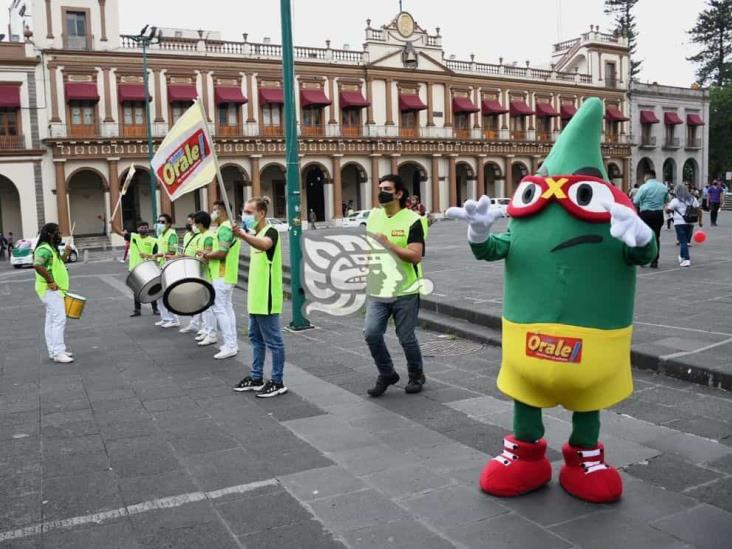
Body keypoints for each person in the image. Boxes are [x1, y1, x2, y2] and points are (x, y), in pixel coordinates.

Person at [364, 174, 429, 397]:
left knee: (406, 336)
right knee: (371, 333)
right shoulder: (373, 216)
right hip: (378, 287)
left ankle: (416, 374)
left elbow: (415, 256)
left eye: (387, 189)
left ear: (399, 194)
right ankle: (387, 373)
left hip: (405, 290)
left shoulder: (412, 220)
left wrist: (388, 244)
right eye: (380, 187)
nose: (381, 192)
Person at [232, 197, 287, 397]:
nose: (244, 216)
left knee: (274, 342)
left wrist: (244, 235)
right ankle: (256, 377)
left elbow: (264, 245)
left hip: (268, 297)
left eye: (248, 212)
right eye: (243, 212)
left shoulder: (270, 231)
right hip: (255, 297)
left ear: (261, 213)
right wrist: (244, 234)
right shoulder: (255, 233)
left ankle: (278, 381)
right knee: (256, 339)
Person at [200, 201, 241, 359]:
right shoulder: (227, 227)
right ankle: (232, 343)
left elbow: (222, 253)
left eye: (215, 210)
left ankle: (230, 345)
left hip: (221, 274)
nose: (212, 213)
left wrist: (207, 255)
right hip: (226, 274)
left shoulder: (224, 229)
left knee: (220, 309)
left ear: (222, 211)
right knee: (227, 309)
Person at [33, 223, 74, 363]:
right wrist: (50, 281)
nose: (60, 235)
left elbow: (59, 263)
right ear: (50, 234)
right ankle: (58, 353)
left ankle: (54, 351)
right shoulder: (44, 249)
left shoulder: (51, 248)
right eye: (58, 232)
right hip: (50, 290)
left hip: (53, 290)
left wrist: (66, 253)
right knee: (59, 320)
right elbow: (37, 265)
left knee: (51, 321)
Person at [191, 211, 218, 345]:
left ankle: (211, 333)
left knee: (210, 307)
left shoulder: (208, 237)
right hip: (203, 275)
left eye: (195, 223)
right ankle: (207, 330)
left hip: (209, 275)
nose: (194, 225)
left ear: (200, 224)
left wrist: (201, 256)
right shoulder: (202, 236)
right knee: (206, 307)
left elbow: (207, 257)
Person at [633, 170, 668, 268]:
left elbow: (635, 201)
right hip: (658, 214)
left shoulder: (644, 187)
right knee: (656, 237)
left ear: (647, 176)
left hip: (646, 213)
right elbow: (666, 200)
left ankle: (643, 259)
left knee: (643, 236)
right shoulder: (663, 187)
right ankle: (655, 260)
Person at [179, 214, 205, 334]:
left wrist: (188, 256)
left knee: (201, 298)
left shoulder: (201, 236)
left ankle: (204, 326)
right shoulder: (187, 235)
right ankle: (194, 323)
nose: (190, 225)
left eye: (192, 223)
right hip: (187, 267)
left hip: (197, 268)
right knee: (193, 297)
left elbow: (200, 254)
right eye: (189, 222)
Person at [153, 213, 179, 328]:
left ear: (169, 224)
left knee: (168, 294)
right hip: (161, 266)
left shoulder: (172, 235)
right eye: (159, 221)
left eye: (162, 222)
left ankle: (174, 319)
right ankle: (165, 318)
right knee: (159, 295)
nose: (160, 224)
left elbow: (172, 252)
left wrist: (159, 254)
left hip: (169, 267)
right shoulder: (161, 235)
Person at [128, 221, 160, 317]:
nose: (143, 229)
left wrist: (148, 256)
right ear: (138, 229)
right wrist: (112, 224)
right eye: (141, 227)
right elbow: (119, 232)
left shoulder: (153, 241)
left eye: (145, 227)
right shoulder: (133, 237)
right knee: (136, 290)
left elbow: (157, 256)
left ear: (148, 229)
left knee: (151, 288)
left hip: (148, 268)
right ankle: (137, 310)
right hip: (135, 269)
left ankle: (155, 308)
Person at [667, 184, 701, 267]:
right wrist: (700, 221)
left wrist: (666, 208)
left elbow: (668, 210)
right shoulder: (693, 199)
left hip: (679, 223)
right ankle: (681, 256)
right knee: (685, 241)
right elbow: (699, 210)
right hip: (691, 222)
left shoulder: (675, 200)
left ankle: (686, 259)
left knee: (683, 241)